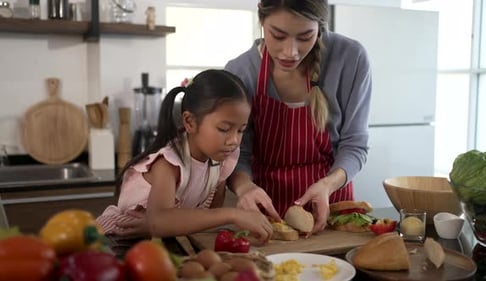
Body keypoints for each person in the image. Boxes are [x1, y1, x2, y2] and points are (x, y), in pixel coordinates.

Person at [225, 0, 372, 235]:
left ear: (320, 27)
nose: (290, 52)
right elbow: (235, 153)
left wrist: (327, 185)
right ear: (262, 20)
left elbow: (355, 144)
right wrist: (243, 188)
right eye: (278, 35)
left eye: (305, 37)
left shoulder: (350, 58)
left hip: (331, 208)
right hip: (264, 214)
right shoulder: (240, 72)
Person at [96, 69, 273, 257]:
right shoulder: (169, 163)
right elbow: (159, 221)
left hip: (161, 242)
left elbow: (207, 218)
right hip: (117, 240)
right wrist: (233, 214)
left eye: (240, 130)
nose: (234, 141)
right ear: (189, 122)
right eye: (224, 129)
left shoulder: (221, 160)